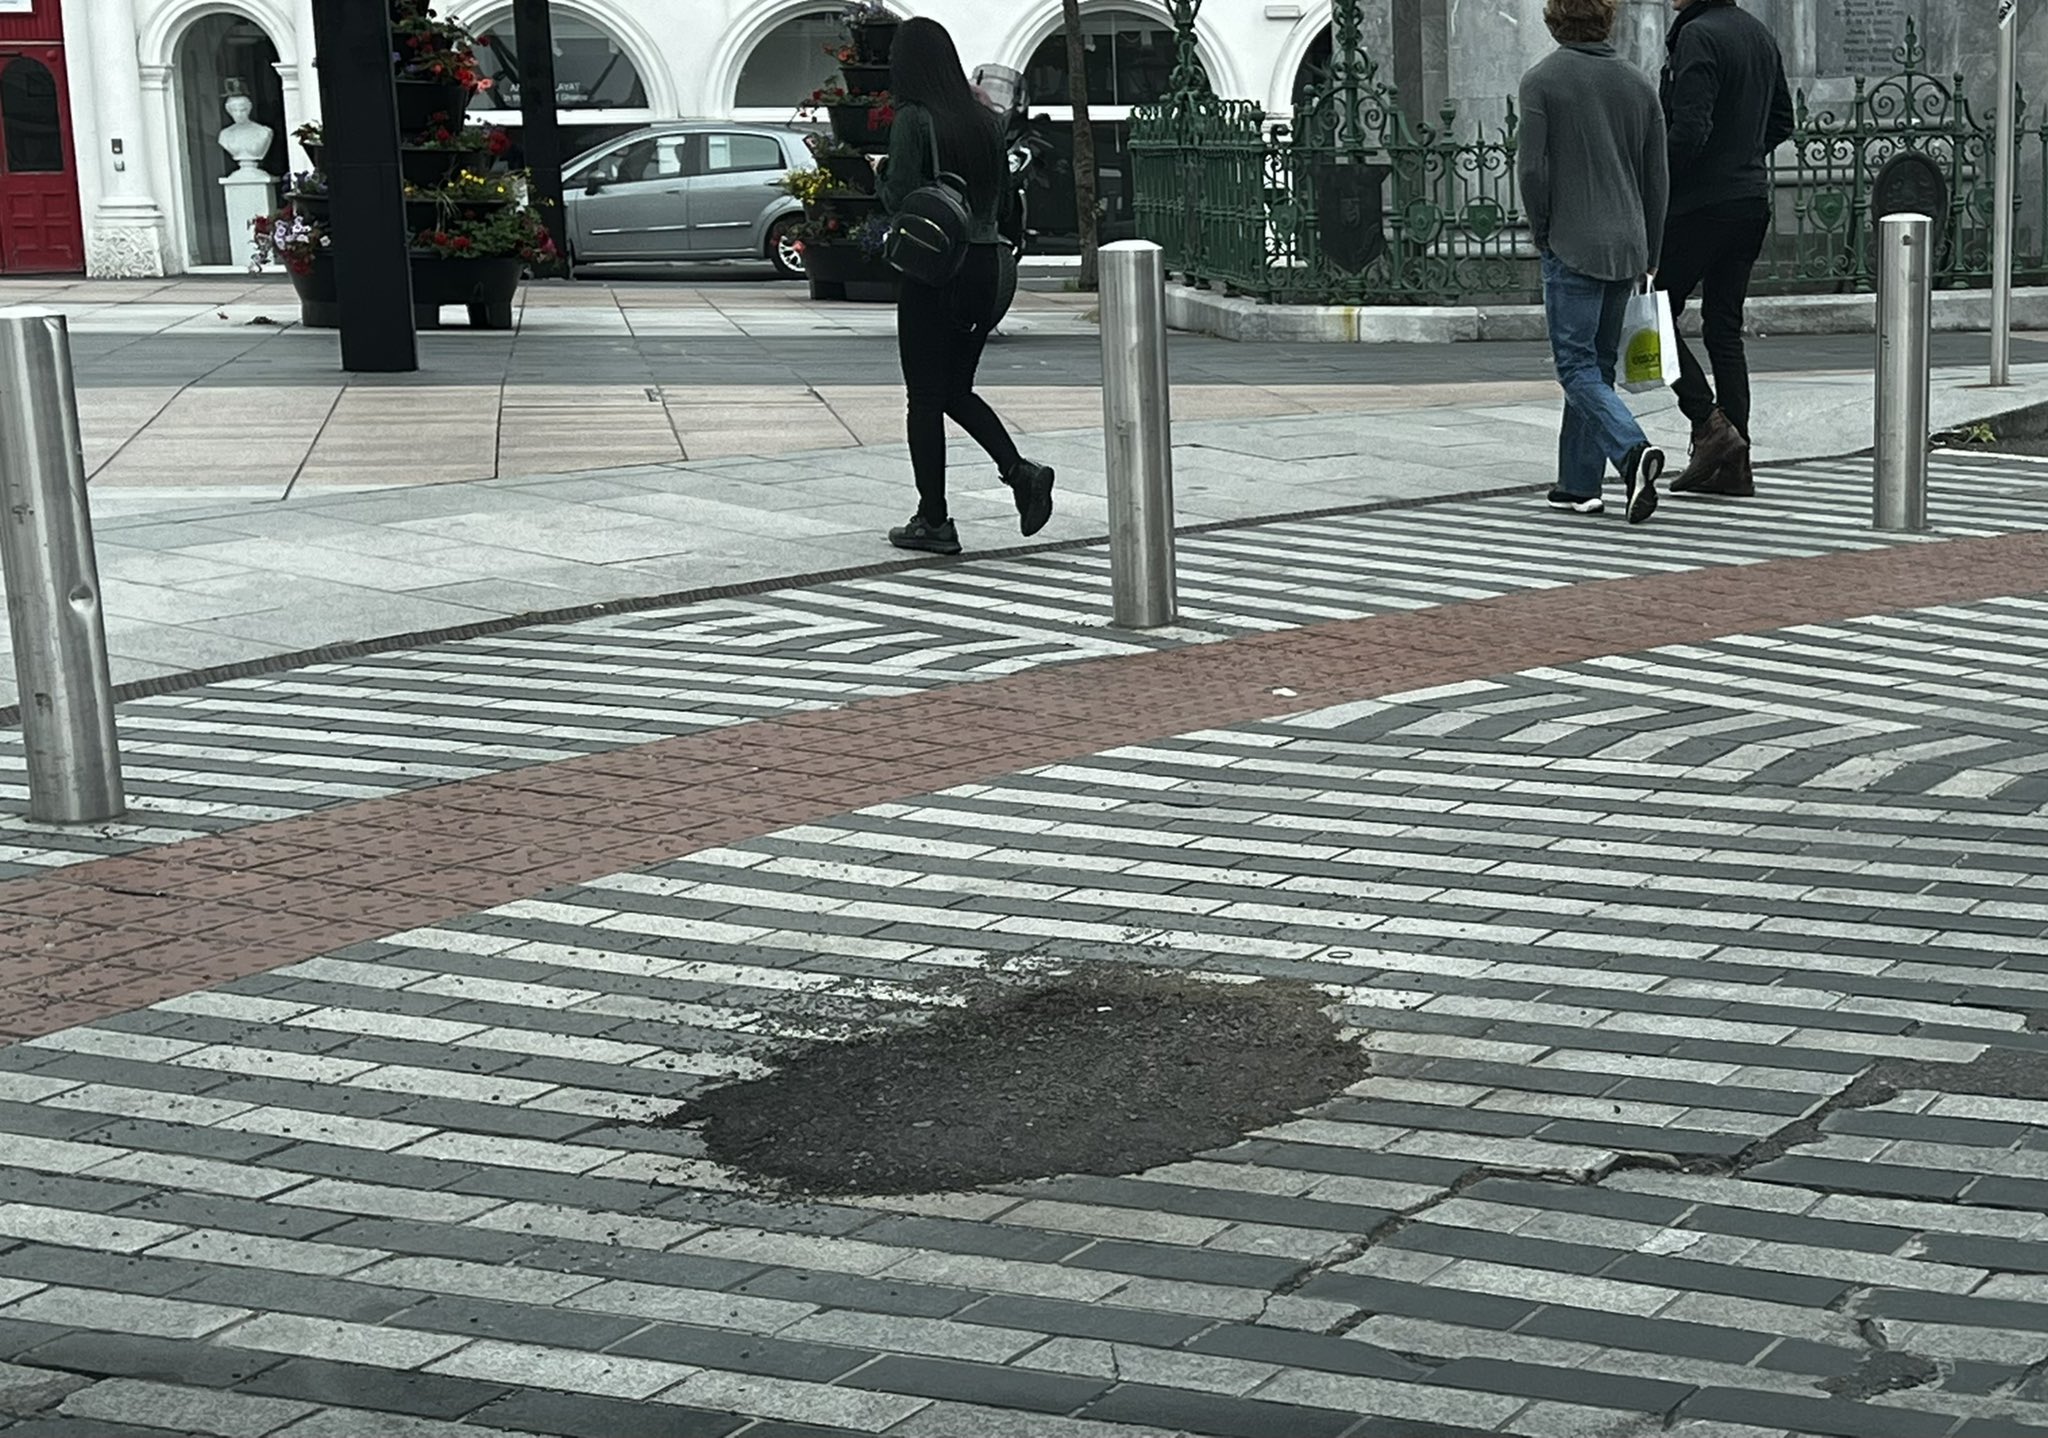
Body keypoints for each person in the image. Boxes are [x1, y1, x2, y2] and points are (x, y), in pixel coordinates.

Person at [878, 17, 1054, 556]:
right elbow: (1002, 202)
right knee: (954, 388)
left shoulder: (914, 120)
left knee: (925, 400)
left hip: (937, 270)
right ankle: (1020, 472)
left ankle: (933, 520)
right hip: (989, 268)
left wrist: (881, 173)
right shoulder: (984, 119)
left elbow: (903, 199)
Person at [1518, 0, 1670, 526]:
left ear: (1554, 19)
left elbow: (1532, 170)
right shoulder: (1637, 83)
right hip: (1627, 243)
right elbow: (1657, 177)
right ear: (1608, 18)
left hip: (1574, 241)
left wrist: (1542, 230)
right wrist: (1650, 251)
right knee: (1598, 368)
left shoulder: (1542, 81)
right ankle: (1578, 485)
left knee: (1575, 367)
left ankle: (1632, 454)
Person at [1658, 0, 1795, 498]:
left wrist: (1661, 188)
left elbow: (1689, 128)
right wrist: (1742, 157)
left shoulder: (1698, 35)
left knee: (1650, 315)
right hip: (1749, 201)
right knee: (1724, 328)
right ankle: (1735, 466)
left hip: (1699, 206)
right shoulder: (1757, 33)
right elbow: (1783, 119)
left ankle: (1708, 423)